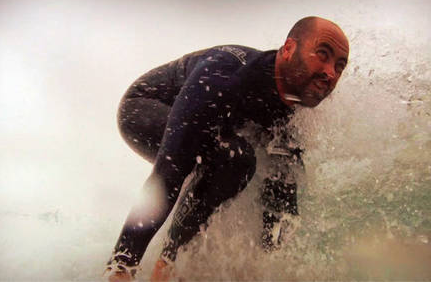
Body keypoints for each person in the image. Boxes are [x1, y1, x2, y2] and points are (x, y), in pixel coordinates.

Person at [104, 16, 349, 281]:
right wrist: (122, 267)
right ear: (289, 49)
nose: (330, 73)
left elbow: (280, 201)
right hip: (144, 107)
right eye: (322, 54)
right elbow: (168, 175)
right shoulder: (226, 76)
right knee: (235, 158)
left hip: (211, 128)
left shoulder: (289, 113)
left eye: (339, 66)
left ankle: (169, 261)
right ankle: (145, 267)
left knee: (266, 176)